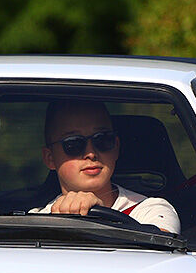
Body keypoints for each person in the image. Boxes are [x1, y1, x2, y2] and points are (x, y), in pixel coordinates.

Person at [30, 100, 180, 233]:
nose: (91, 153)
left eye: (102, 139)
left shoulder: (151, 211)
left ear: (116, 147)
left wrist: (98, 216)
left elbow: (162, 251)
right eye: (73, 143)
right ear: (50, 158)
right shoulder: (33, 222)